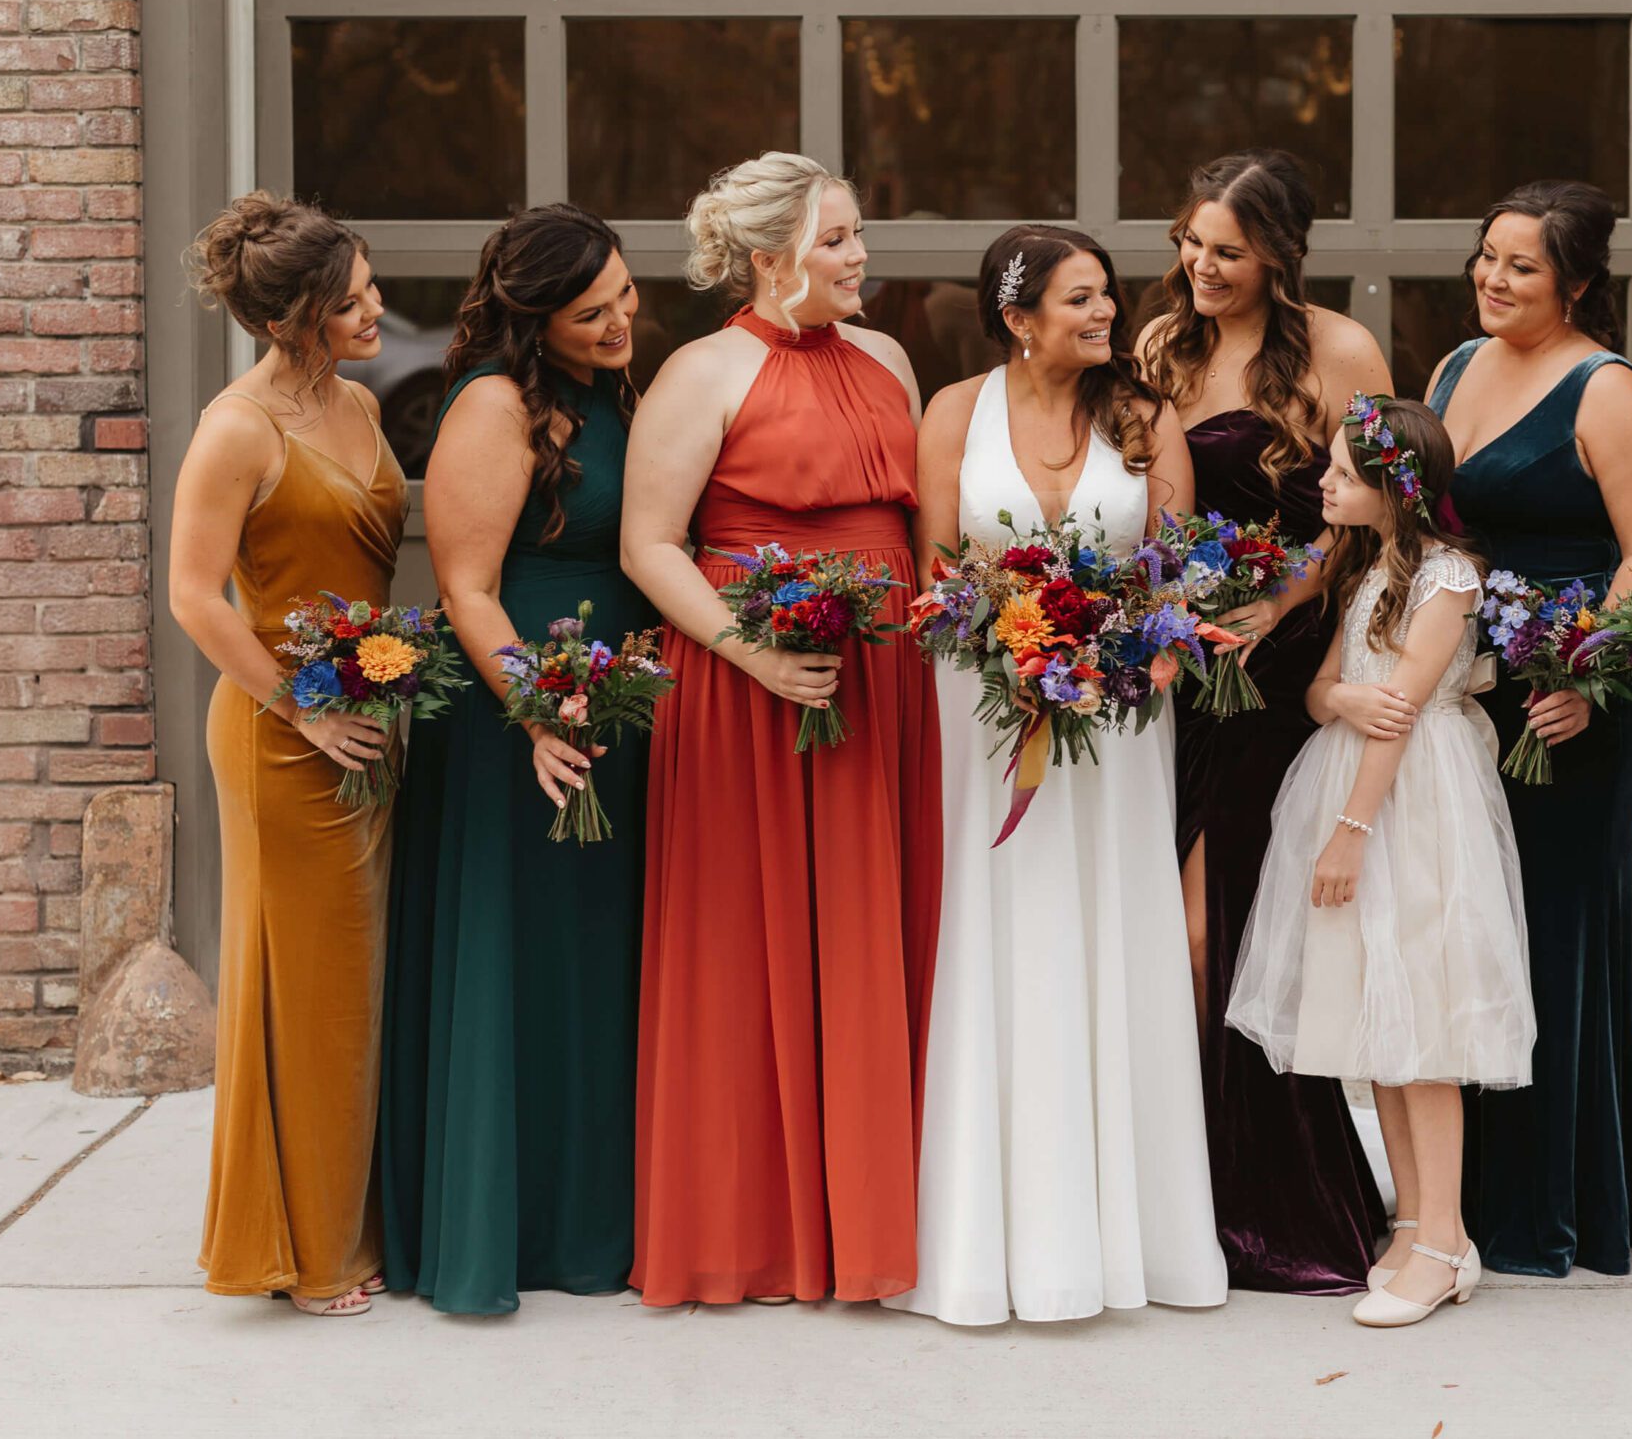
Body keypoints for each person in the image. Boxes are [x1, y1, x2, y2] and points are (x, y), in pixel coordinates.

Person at [885, 224, 1226, 1327]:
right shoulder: (952, 413)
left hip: (1120, 719)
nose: (1104, 316)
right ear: (1017, 317)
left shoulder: (1144, 416)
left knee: (1112, 931)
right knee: (1006, 929)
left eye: (1106, 298)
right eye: (1080, 300)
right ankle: (990, 1236)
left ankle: (1136, 1235)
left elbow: (1179, 566)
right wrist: (1007, 639)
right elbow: (939, 563)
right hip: (986, 712)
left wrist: (1146, 643)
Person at [619, 154, 941, 1306]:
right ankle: (747, 1228)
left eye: (858, 235)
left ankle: (870, 1223)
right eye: (839, 240)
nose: (862, 258)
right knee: (742, 953)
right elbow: (649, 545)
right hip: (746, 698)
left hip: (882, 693)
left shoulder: (890, 360)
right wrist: (753, 651)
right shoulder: (700, 373)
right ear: (770, 259)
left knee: (872, 940)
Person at [375, 204, 653, 1314]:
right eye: (592, 312)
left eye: (628, 294)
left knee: (598, 966)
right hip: (517, 714)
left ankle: (599, 1218)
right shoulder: (491, 405)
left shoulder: (615, 395)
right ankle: (507, 1226)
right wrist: (541, 709)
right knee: (522, 961)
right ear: (533, 319)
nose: (622, 319)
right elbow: (467, 585)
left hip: (617, 704)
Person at [1135, 150, 1392, 1294]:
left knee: (1229, 929)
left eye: (1225, 251)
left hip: (1282, 669)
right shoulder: (1155, 347)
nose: (1199, 266)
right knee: (1168, 934)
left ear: (1277, 256)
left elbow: (1376, 514)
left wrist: (1280, 598)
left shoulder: (1341, 352)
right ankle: (1169, 1189)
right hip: (1180, 671)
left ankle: (1272, 1196)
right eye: (1190, 243)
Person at [1225, 397, 1532, 1329]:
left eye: (1344, 475)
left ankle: (1444, 1238)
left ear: (1395, 488)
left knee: (1425, 1025)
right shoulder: (1364, 572)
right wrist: (1343, 702)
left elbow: (1398, 714)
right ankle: (1412, 1219)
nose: (1324, 485)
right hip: (1350, 778)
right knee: (1379, 1024)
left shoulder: (1445, 578)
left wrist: (1351, 834)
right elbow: (1324, 694)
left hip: (1410, 805)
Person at [1423, 180, 1632, 1280]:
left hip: (1574, 700)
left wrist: (1593, 675)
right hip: (1475, 691)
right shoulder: (1448, 369)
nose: (1492, 277)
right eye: (1485, 255)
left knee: (1551, 937)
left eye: (1520, 266)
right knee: (1469, 931)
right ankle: (1458, 1198)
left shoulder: (1606, 390)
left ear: (1574, 282)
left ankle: (1554, 1205)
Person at [168, 192, 402, 1317]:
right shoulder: (237, 428)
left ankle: (348, 1217)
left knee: (354, 987)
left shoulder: (357, 402)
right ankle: (304, 1252)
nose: (374, 310)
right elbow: (192, 595)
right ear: (298, 315)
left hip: (371, 720)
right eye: (351, 300)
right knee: (301, 990)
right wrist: (303, 707)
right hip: (280, 734)